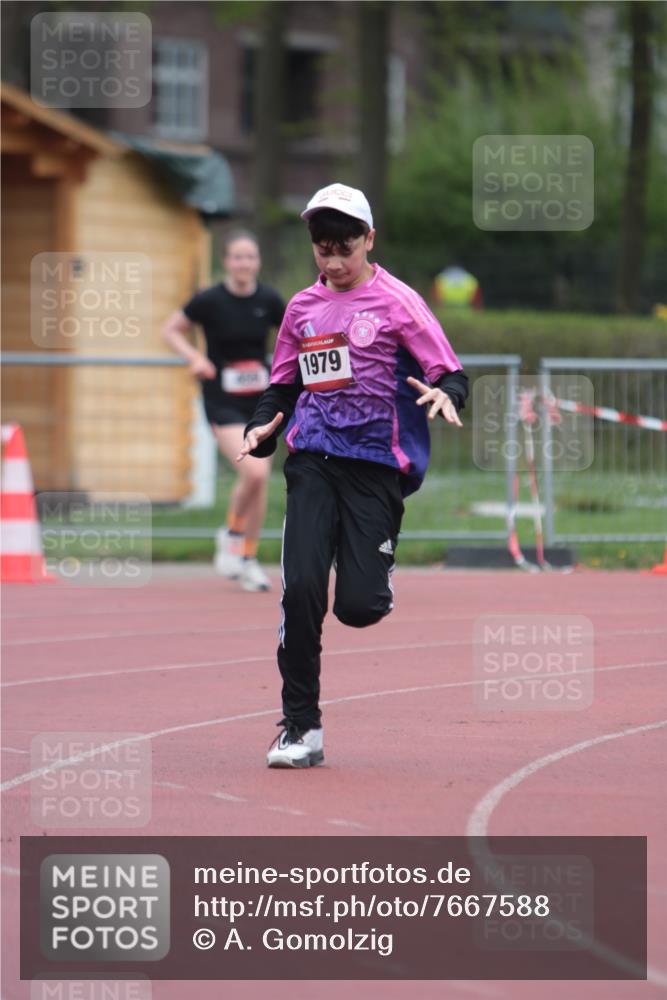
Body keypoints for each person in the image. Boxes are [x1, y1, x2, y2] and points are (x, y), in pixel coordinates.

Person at [237, 183, 469, 766]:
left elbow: (449, 370)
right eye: (323, 250)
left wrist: (444, 394)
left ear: (370, 239)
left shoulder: (399, 302)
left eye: (345, 248)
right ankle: (300, 728)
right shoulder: (301, 308)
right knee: (303, 591)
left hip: (374, 467)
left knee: (358, 607)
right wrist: (262, 427)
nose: (335, 263)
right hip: (312, 458)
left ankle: (376, 569)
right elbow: (284, 385)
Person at [162, 232, 285, 591]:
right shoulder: (210, 300)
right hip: (222, 399)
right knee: (256, 473)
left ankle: (247, 559)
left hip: (261, 401)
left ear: (258, 262)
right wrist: (195, 357)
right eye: (237, 257)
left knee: (257, 483)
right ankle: (231, 535)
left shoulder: (269, 299)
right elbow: (170, 330)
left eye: (250, 257)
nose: (244, 264)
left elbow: (294, 334)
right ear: (226, 262)